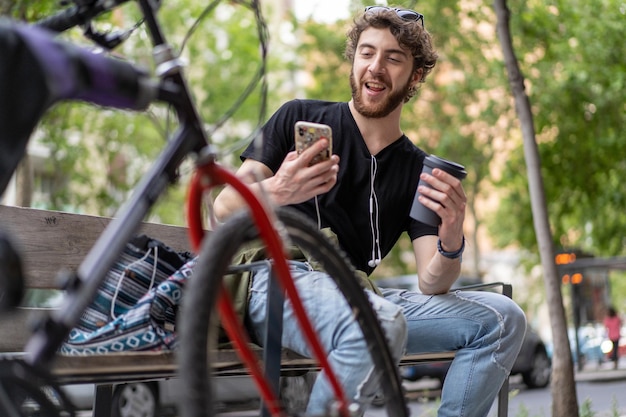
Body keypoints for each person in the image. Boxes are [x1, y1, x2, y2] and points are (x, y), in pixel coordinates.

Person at [214, 6, 527, 417]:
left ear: (415, 76)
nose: (375, 67)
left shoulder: (418, 169)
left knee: (503, 319)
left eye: (393, 57)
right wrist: (278, 189)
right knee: (376, 322)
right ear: (354, 58)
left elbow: (432, 282)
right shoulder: (298, 117)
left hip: (358, 293)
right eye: (366, 52)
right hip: (274, 281)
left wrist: (452, 238)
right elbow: (223, 207)